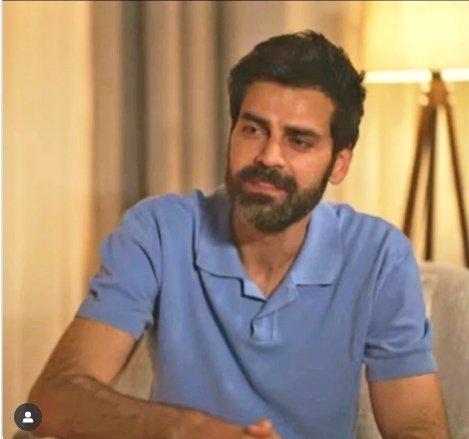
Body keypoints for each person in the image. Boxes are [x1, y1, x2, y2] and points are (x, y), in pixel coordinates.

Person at [29, 30, 450, 439]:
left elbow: (417, 426)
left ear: (339, 164)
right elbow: (44, 405)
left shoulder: (379, 256)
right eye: (253, 130)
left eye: (298, 141)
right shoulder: (158, 232)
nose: (268, 156)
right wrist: (187, 430)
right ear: (230, 137)